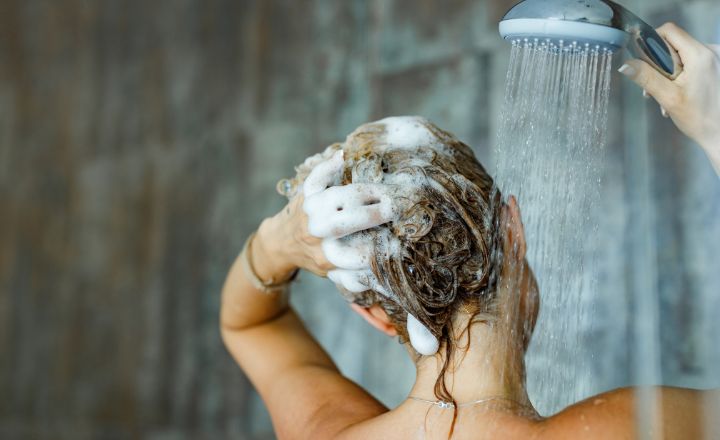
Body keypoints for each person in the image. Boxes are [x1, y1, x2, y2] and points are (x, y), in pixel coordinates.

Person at [220, 23, 720, 439]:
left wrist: (279, 241)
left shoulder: (325, 432)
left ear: (375, 315)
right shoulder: (622, 428)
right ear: (513, 230)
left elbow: (248, 324)